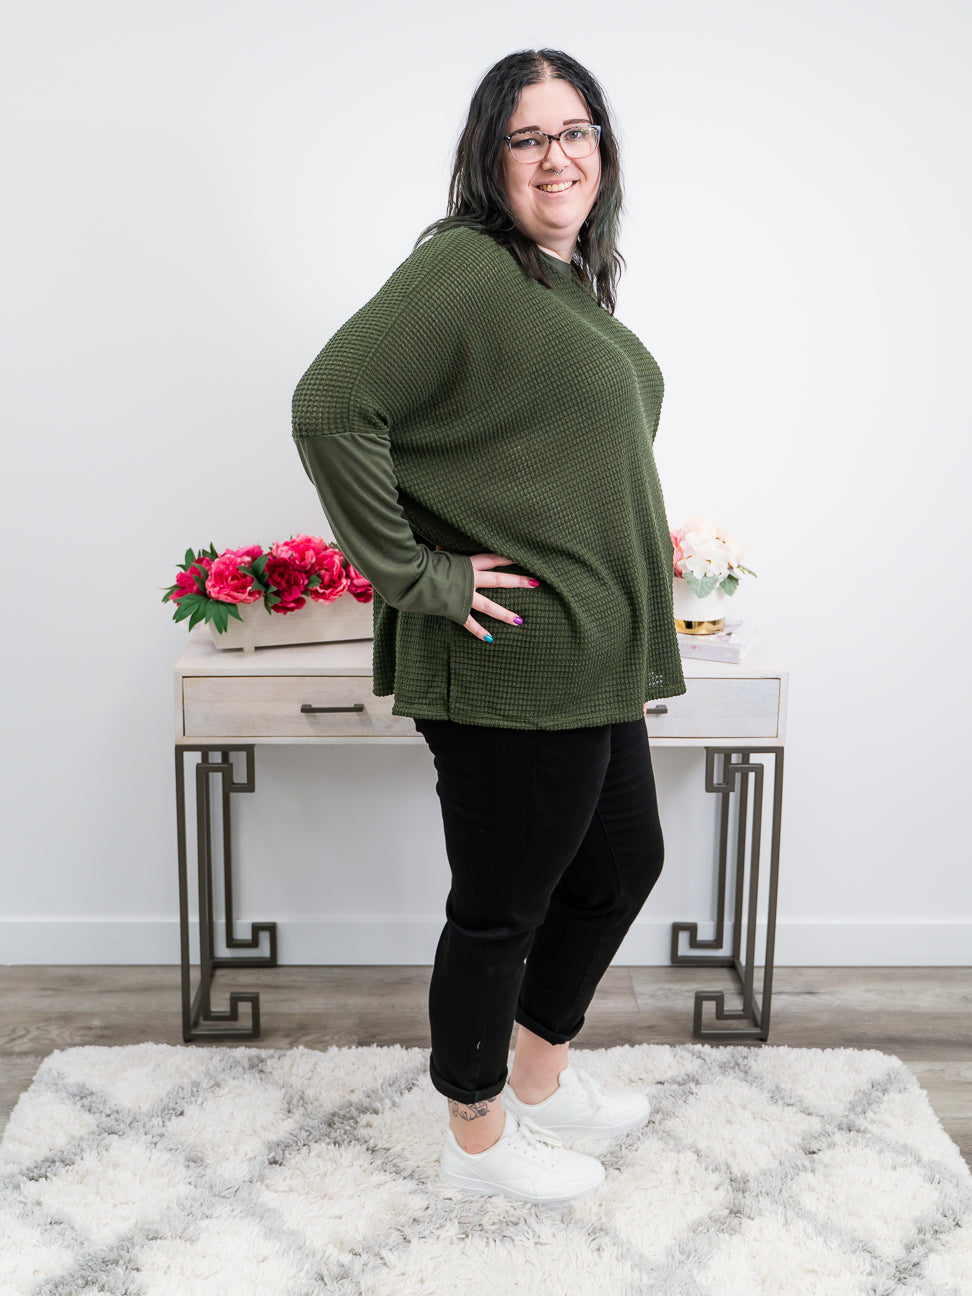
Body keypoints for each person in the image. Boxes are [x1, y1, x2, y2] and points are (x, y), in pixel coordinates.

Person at [292, 48, 686, 1206]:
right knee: (502, 908)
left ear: (603, 148)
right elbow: (330, 405)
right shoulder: (464, 265)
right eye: (530, 136)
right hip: (509, 657)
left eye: (577, 131)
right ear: (489, 154)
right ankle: (473, 1138)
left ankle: (540, 1079)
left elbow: (548, 462)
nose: (558, 156)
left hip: (589, 651)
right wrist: (420, 577)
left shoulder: (562, 284)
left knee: (620, 868)